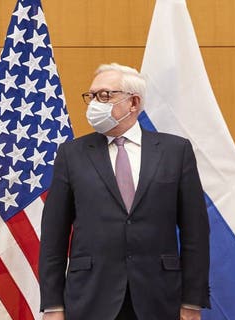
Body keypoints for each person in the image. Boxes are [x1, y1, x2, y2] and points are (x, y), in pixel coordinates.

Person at [38, 63, 210, 320]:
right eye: (92, 96)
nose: (95, 103)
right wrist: (52, 306)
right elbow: (54, 235)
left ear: (134, 102)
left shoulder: (176, 152)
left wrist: (192, 301)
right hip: (90, 296)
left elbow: (195, 232)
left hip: (160, 297)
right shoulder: (71, 154)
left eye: (105, 95)